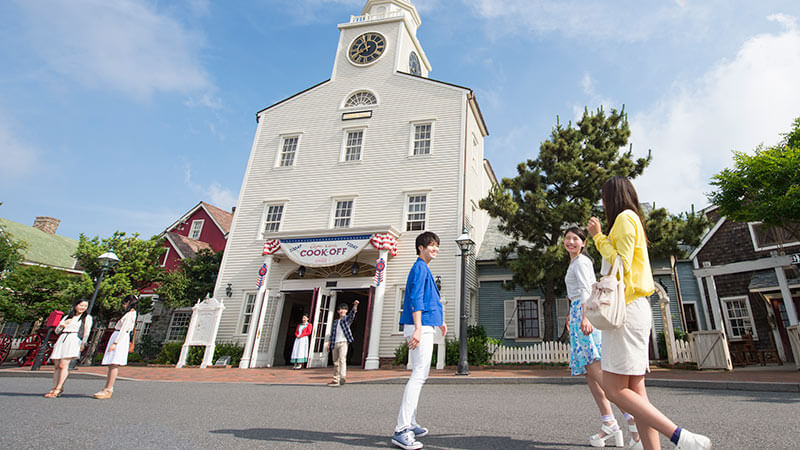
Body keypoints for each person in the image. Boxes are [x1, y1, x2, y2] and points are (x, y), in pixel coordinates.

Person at [587, 176, 711, 450]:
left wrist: (598, 237)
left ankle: (681, 437)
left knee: (614, 389)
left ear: (612, 197)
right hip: (634, 309)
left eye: (604, 197)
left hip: (626, 311)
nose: (602, 203)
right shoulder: (633, 220)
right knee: (636, 391)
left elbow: (620, 264)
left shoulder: (624, 219)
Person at [564, 227, 642, 448]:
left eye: (576, 238)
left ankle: (634, 423)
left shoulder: (581, 262)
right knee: (590, 372)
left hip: (585, 314)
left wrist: (585, 317)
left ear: (583, 243)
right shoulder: (574, 262)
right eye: (568, 238)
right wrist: (572, 313)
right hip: (578, 312)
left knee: (598, 371)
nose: (571, 242)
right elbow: (577, 293)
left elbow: (587, 289)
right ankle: (609, 423)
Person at [392, 231, 447, 450]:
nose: (435, 249)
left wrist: (440, 321)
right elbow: (415, 299)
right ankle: (401, 429)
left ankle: (411, 423)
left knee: (420, 374)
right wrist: (417, 328)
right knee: (417, 376)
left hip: (425, 325)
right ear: (420, 248)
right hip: (419, 327)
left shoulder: (424, 268)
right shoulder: (419, 268)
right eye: (431, 245)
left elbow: (430, 299)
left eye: (436, 245)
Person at [44, 299, 93, 398]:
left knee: (63, 365)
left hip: (73, 339)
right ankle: (54, 387)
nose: (83, 308)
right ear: (76, 305)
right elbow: (57, 331)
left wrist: (83, 343)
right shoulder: (67, 317)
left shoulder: (86, 318)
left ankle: (58, 388)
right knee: (57, 365)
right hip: (62, 338)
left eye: (85, 306)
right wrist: (63, 325)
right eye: (81, 305)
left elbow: (86, 331)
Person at [93, 295, 138, 400]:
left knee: (114, 364)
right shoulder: (130, 313)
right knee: (112, 364)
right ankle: (107, 387)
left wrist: (115, 343)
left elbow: (123, 330)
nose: (123, 305)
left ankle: (108, 388)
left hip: (119, 338)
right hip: (118, 336)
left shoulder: (130, 314)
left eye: (124, 303)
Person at [326, 300, 358, 386]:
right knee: (335, 362)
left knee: (342, 359)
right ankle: (335, 379)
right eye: (340, 309)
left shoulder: (346, 320)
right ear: (338, 311)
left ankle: (342, 377)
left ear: (346, 311)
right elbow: (333, 333)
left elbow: (352, 315)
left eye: (344, 309)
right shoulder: (336, 322)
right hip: (335, 343)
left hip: (343, 342)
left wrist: (355, 305)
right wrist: (329, 343)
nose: (342, 311)